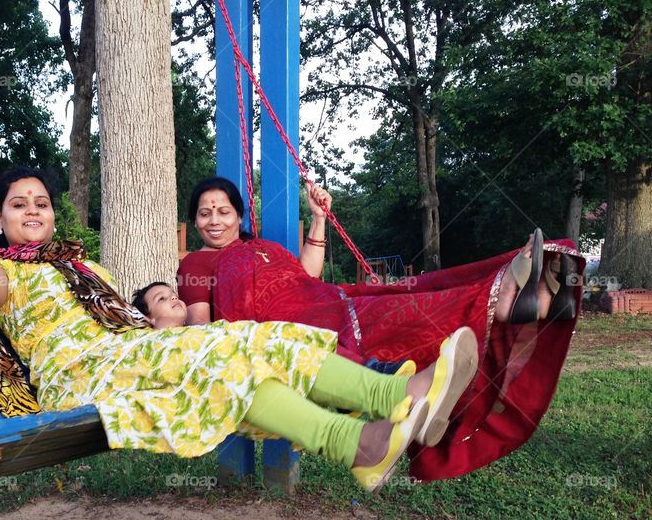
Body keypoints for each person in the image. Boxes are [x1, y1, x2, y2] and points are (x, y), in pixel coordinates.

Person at [0, 167, 480, 492]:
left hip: (130, 353)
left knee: (252, 340)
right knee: (222, 356)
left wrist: (164, 322)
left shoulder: (82, 267)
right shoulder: (2, 272)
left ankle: (377, 418)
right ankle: (369, 425)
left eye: (41, 201)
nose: (34, 210)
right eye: (19, 204)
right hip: (83, 377)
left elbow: (127, 319)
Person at [176, 177, 583, 482]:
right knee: (400, 309)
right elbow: (199, 327)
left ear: (239, 215)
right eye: (205, 212)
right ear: (194, 222)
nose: (215, 220)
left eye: (223, 210)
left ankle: (530, 302)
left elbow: (306, 276)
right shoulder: (197, 263)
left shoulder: (264, 247)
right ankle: (513, 301)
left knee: (409, 292)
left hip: (320, 298)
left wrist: (318, 220)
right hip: (287, 324)